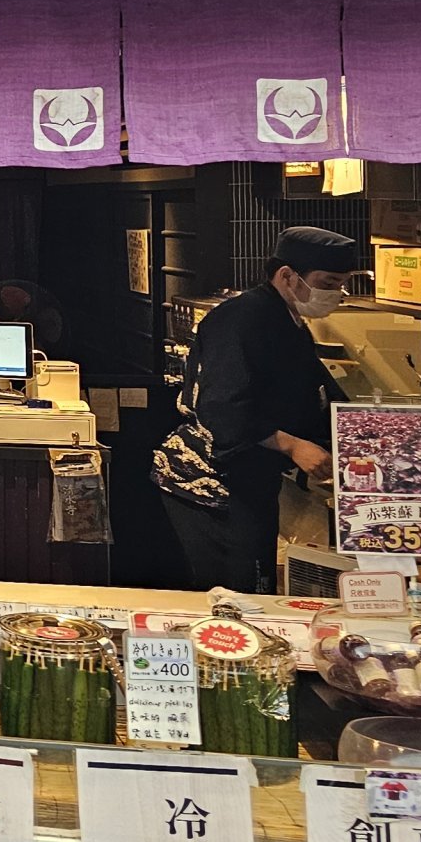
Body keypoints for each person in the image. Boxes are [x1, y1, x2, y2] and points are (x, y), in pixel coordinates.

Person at [164, 226, 355, 593]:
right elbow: (222, 409)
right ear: (287, 275)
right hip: (208, 484)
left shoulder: (290, 321)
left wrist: (359, 436)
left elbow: (319, 390)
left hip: (252, 480)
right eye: (328, 283)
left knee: (256, 585)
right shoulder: (240, 319)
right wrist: (293, 446)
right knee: (235, 596)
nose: (336, 294)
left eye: (342, 285)